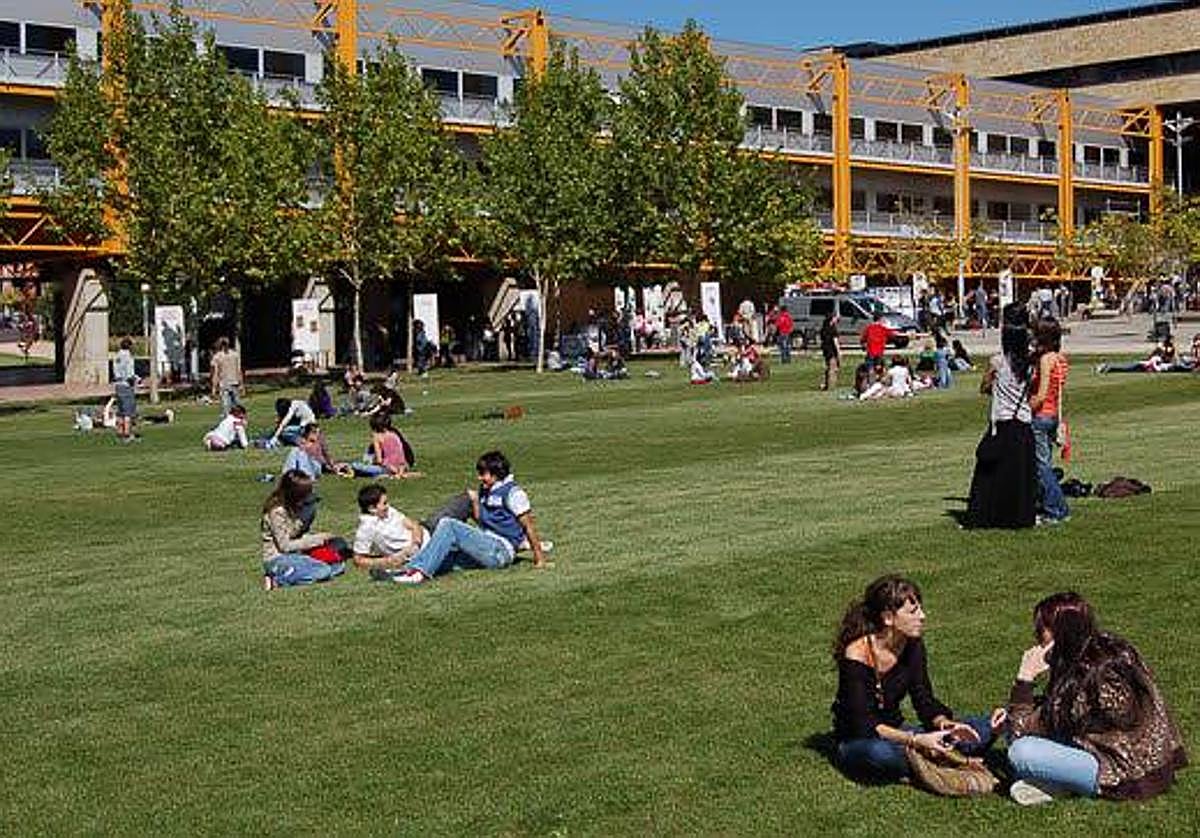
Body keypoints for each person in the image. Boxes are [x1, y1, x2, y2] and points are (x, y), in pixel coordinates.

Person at [1001, 592, 1187, 805]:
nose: (1036, 637)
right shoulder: (1112, 648)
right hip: (1157, 764)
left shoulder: (1087, 675)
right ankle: (1057, 783)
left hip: (1126, 775)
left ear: (1058, 633)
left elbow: (1018, 732)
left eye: (1040, 630)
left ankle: (1062, 784)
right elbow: (1058, 713)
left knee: (1021, 752)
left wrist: (1024, 680)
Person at [831, 575, 995, 785]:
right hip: (860, 740)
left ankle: (931, 759)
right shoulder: (856, 654)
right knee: (880, 754)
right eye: (913, 611)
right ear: (888, 618)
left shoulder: (912, 645)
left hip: (900, 733)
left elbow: (923, 699)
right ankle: (942, 760)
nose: (923, 616)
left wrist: (946, 725)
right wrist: (916, 740)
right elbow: (864, 723)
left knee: (983, 725)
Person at [384, 451, 548, 584]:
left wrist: (539, 559)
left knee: (449, 525)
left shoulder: (513, 493)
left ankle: (420, 573)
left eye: (483, 473)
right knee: (444, 556)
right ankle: (402, 570)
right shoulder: (487, 489)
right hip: (488, 546)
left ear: (496, 473)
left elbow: (529, 526)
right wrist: (476, 503)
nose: (479, 477)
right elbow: (484, 520)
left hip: (501, 551)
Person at [965, 304, 1036, 529]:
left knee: (989, 475)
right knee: (1019, 477)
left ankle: (985, 516)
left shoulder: (997, 362)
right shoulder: (1030, 364)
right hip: (1022, 422)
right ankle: (1018, 517)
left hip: (1002, 422)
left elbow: (984, 388)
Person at [260, 470, 345, 590]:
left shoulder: (301, 507)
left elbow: (300, 534)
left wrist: (309, 512)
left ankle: (295, 572)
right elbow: (285, 546)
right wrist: (318, 539)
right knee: (323, 571)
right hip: (278, 557)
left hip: (296, 554)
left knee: (338, 566)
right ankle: (277, 580)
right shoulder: (277, 512)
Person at [1030, 319, 1070, 524]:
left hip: (1041, 415)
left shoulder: (1046, 359)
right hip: (1053, 414)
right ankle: (1046, 502)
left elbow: (1041, 394)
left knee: (1041, 466)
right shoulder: (1060, 359)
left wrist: (1024, 409)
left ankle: (1056, 508)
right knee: (1043, 463)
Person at [352, 483, 428, 572]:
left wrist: (416, 544)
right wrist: (387, 561)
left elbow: (414, 525)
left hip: (424, 536)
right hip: (423, 552)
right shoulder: (366, 528)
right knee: (447, 524)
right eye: (384, 503)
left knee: (446, 515)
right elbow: (358, 559)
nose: (388, 506)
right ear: (372, 509)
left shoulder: (388, 511)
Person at [355, 413, 419, 479]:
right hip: (401, 467)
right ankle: (399, 474)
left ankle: (386, 475)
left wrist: (376, 462)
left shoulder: (377, 437)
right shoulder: (395, 435)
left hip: (388, 468)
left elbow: (379, 460)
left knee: (356, 465)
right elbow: (401, 455)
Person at [284, 422, 353, 479]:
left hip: (314, 466)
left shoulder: (319, 443)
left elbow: (326, 456)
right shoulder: (302, 442)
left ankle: (304, 476)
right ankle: (288, 475)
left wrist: (333, 467)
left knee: (299, 453)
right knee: (295, 451)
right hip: (301, 465)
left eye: (318, 432)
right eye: (314, 432)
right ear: (308, 433)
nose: (317, 434)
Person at [112, 336, 138, 441]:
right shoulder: (128, 357)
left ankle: (119, 432)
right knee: (128, 412)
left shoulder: (117, 356)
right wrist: (137, 380)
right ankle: (127, 434)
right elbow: (130, 374)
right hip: (126, 386)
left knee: (120, 411)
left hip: (118, 385)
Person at [209, 337, 242, 417]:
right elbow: (239, 370)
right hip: (234, 382)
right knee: (237, 405)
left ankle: (229, 423)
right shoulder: (235, 355)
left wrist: (214, 387)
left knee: (226, 407)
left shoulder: (217, 357)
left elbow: (216, 373)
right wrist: (241, 384)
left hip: (224, 383)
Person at [860, 313, 891, 379]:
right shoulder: (883, 328)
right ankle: (880, 381)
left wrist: (863, 345)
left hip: (870, 351)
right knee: (880, 368)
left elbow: (863, 338)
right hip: (879, 352)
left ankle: (871, 383)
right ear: (880, 319)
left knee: (870, 368)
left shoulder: (869, 328)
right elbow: (893, 334)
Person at [820, 312, 841, 391]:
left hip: (826, 350)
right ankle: (831, 385)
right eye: (835, 318)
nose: (837, 319)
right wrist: (839, 352)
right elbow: (835, 341)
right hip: (832, 350)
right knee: (833, 368)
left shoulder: (824, 328)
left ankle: (825, 384)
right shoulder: (833, 329)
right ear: (832, 319)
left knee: (827, 367)